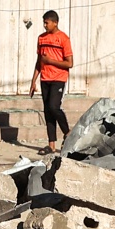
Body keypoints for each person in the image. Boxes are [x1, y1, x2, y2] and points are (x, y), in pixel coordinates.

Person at [27, 9, 74, 152]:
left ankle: (67, 132)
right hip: (45, 78)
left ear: (55, 23)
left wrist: (51, 61)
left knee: (54, 107)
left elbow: (69, 63)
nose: (45, 25)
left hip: (58, 78)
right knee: (47, 111)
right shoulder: (41, 38)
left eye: (47, 22)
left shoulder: (64, 39)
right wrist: (33, 81)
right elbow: (39, 61)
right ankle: (51, 145)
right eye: (44, 22)